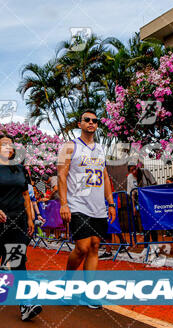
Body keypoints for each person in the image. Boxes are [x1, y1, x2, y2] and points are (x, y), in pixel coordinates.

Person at [0, 135, 42, 321]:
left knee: (17, 260)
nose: (8, 148)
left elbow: (26, 195)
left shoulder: (20, 169)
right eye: (4, 145)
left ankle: (25, 303)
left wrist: (30, 219)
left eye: (11, 145)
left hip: (17, 220)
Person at [58, 110, 116, 308]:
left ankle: (88, 294)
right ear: (80, 124)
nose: (91, 123)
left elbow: (106, 176)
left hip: (98, 206)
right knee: (82, 247)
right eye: (87, 120)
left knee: (94, 247)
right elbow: (61, 175)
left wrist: (110, 202)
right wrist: (64, 203)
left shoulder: (100, 148)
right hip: (77, 204)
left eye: (94, 120)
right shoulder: (69, 146)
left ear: (97, 125)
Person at [128, 161, 159, 248]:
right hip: (139, 200)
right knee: (144, 222)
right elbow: (131, 193)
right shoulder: (130, 177)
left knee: (152, 221)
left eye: (135, 169)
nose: (134, 172)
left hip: (149, 199)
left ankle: (155, 243)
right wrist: (134, 207)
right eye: (131, 170)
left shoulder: (145, 171)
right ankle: (146, 245)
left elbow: (154, 183)